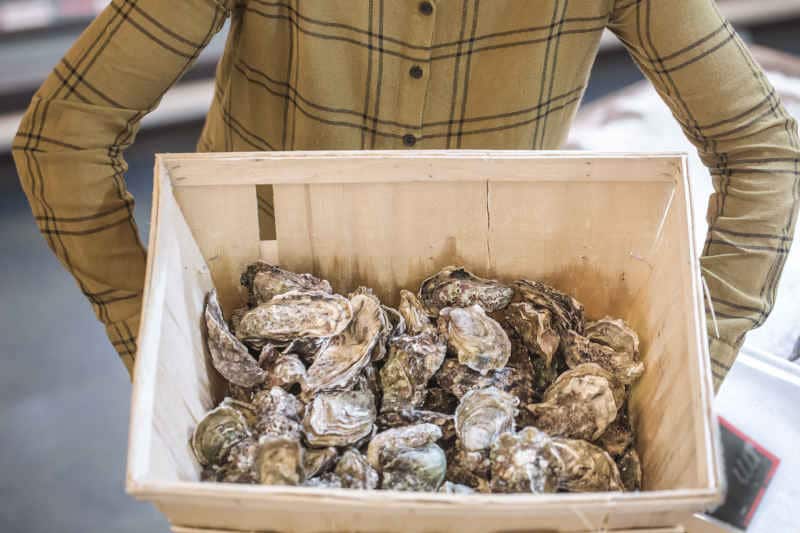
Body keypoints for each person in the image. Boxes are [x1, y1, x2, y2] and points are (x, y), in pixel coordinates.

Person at [12, 0, 798, 391]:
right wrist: (161, 348)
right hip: (262, 356)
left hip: (478, 369)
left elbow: (762, 152)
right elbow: (65, 136)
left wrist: (691, 374)